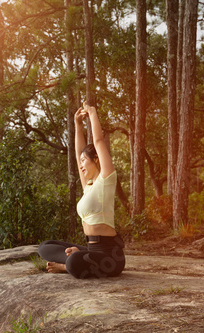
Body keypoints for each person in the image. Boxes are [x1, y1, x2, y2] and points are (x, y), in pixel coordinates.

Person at [38, 101, 125, 279]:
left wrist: (92, 113)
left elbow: (99, 141)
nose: (81, 165)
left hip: (110, 256)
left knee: (74, 261)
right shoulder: (89, 187)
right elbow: (78, 151)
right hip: (91, 249)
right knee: (45, 246)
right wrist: (77, 124)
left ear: (96, 159)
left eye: (85, 160)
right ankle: (77, 256)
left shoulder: (106, 180)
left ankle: (67, 265)